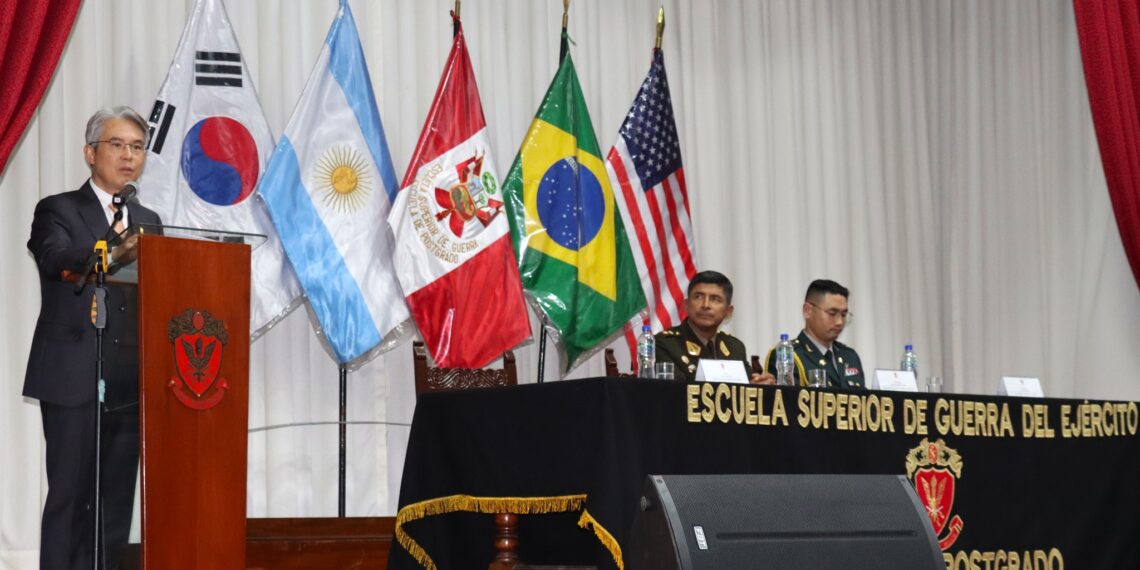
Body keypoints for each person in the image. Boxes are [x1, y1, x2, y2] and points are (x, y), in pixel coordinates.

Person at [24, 107, 162, 570]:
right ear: (90, 152)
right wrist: (113, 251)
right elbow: (54, 258)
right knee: (71, 495)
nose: (129, 156)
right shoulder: (58, 208)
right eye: (117, 144)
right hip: (73, 373)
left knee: (117, 500)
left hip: (128, 380)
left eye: (137, 147)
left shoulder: (149, 218)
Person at [655, 271, 776, 384]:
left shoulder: (735, 348)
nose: (705, 305)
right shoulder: (665, 344)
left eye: (715, 299)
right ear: (686, 305)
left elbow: (749, 386)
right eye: (698, 297)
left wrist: (760, 384)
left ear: (728, 312)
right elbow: (673, 392)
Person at [765, 279, 865, 388]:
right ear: (808, 311)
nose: (839, 322)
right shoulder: (788, 354)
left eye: (843, 314)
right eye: (832, 313)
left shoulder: (849, 356)